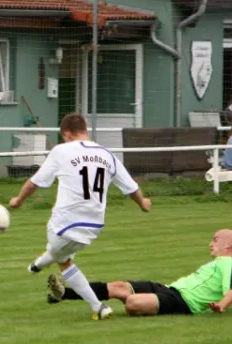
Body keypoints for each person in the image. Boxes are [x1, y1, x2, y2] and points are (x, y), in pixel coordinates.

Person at [8, 113, 151, 320]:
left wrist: (18, 200)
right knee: (62, 253)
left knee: (62, 259)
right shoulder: (107, 155)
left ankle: (98, 307)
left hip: (64, 221)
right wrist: (143, 203)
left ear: (66, 134)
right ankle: (36, 265)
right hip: (94, 224)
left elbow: (34, 182)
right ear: (84, 130)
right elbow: (131, 188)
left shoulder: (61, 151)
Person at [46, 229, 232, 316]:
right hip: (169, 289)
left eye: (215, 239)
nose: (211, 243)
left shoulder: (229, 261)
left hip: (184, 303)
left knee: (132, 303)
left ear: (228, 244)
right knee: (119, 286)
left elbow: (231, 289)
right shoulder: (222, 264)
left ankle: (99, 303)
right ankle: (65, 293)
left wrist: (221, 306)